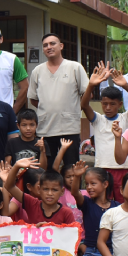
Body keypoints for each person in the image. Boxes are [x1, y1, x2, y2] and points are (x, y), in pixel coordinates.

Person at [82, 63, 128, 201]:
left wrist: (125, 85)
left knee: (123, 202)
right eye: (105, 104)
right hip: (101, 170)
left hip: (124, 169)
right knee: (103, 203)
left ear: (120, 105)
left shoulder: (126, 118)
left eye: (112, 104)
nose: (108, 107)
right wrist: (91, 85)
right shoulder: (98, 119)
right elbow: (84, 105)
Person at [28, 32, 89, 168]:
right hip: (45, 129)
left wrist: (73, 107)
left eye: (52, 43)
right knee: (46, 170)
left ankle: (73, 190)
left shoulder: (75, 67)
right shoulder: (37, 71)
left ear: (61, 46)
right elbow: (33, 99)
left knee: (71, 169)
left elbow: (86, 94)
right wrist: (49, 107)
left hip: (69, 129)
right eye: (45, 45)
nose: (49, 47)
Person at [75, 166, 119, 256]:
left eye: (93, 183)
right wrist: (77, 176)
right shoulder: (86, 203)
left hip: (111, 253)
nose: (89, 187)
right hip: (92, 253)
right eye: (87, 184)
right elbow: (75, 192)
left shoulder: (116, 206)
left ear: (105, 184)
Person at [2, 158, 76, 226]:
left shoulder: (66, 213)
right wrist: (16, 166)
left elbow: (73, 237)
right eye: (46, 189)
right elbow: (9, 186)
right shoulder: (32, 204)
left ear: (62, 191)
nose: (50, 193)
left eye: (55, 190)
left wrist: (52, 228)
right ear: (39, 189)